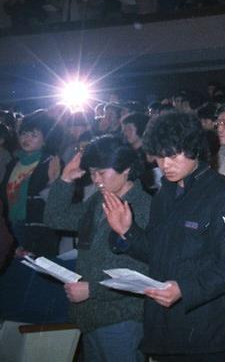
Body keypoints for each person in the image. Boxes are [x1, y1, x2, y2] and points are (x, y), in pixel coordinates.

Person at [103, 111, 225, 362]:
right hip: (167, 331)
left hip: (210, 331)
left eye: (172, 155)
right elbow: (159, 253)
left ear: (194, 150)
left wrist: (185, 289)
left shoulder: (223, 192)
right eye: (159, 156)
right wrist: (128, 231)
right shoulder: (164, 194)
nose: (164, 164)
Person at [43, 136, 151, 362]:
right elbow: (55, 218)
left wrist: (93, 290)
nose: (96, 180)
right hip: (91, 314)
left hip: (123, 315)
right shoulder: (98, 201)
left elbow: (143, 269)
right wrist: (64, 180)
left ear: (127, 170)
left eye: (102, 172)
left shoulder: (143, 205)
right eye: (92, 173)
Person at [1, 110, 61, 257]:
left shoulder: (50, 162)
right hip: (11, 225)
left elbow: (57, 201)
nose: (26, 138)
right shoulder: (14, 162)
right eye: (24, 133)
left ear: (45, 139)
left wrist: (55, 181)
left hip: (37, 227)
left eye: (34, 135)